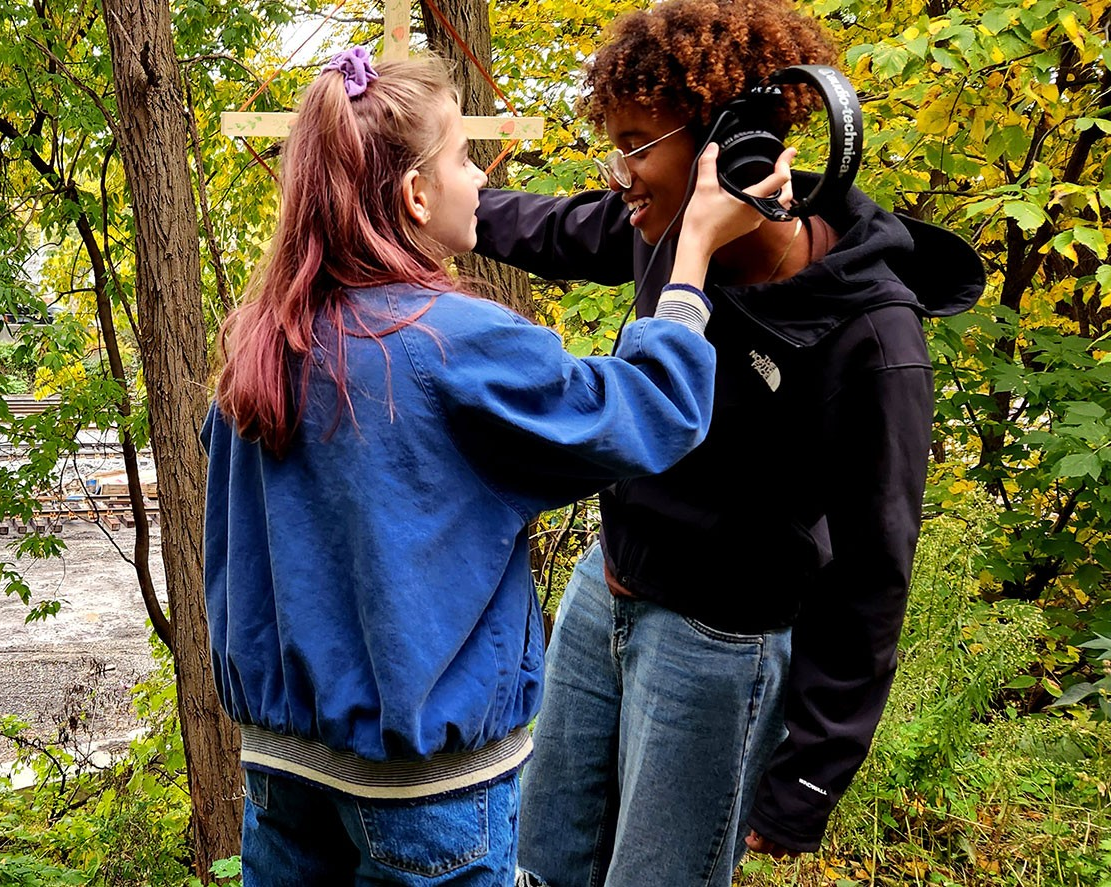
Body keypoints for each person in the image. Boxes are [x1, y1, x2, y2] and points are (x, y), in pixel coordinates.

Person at [201, 45, 794, 887]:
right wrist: (691, 248)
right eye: (460, 159)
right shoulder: (451, 344)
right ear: (414, 194)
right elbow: (644, 411)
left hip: (282, 774)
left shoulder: (263, 338)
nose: (480, 179)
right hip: (423, 791)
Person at [473, 1, 986, 885]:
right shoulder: (663, 232)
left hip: (714, 643)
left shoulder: (868, 335)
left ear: (732, 149)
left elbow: (872, 574)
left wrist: (812, 774)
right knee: (541, 863)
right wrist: (438, 205)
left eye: (637, 143)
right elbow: (554, 227)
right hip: (608, 590)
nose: (619, 171)